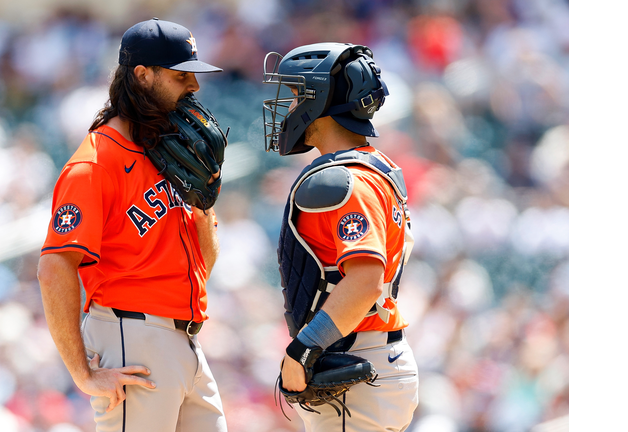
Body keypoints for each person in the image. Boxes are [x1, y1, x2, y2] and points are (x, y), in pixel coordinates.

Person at [37, 18, 227, 432]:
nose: (194, 86)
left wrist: (204, 205)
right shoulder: (95, 162)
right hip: (130, 338)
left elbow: (203, 265)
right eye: (181, 76)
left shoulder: (171, 152)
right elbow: (54, 267)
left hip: (186, 339)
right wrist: (82, 374)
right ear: (142, 76)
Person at [262, 43, 419, 431]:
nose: (290, 104)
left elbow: (365, 281)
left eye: (298, 94)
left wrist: (303, 349)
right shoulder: (377, 167)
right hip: (369, 358)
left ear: (320, 100)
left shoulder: (340, 181)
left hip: (353, 360)